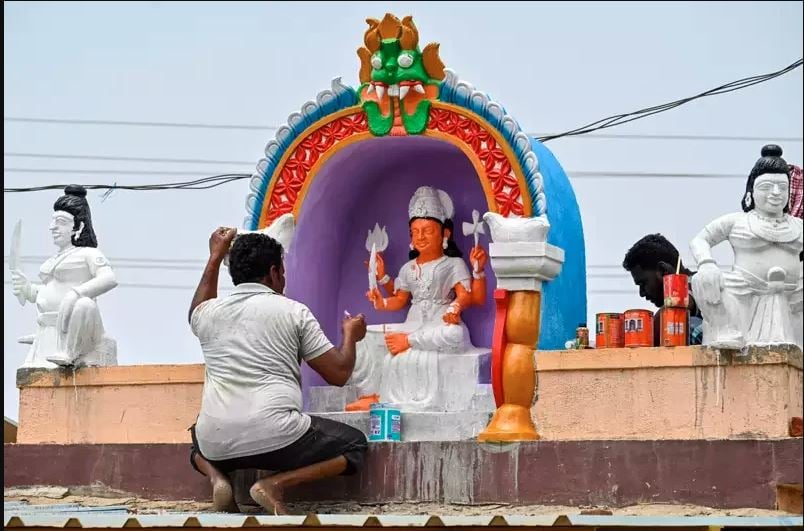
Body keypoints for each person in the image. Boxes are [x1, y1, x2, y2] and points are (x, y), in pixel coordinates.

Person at [187, 227, 368, 515]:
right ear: (273, 272)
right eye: (282, 272)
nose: (283, 280)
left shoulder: (206, 313)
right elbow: (338, 373)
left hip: (217, 443)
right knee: (355, 444)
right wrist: (350, 336)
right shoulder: (293, 312)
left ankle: (218, 479)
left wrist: (214, 257)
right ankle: (274, 485)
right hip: (279, 439)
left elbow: (197, 306)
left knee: (197, 434)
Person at [345, 186, 488, 411]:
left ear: (445, 234)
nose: (420, 237)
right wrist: (379, 300)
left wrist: (457, 305)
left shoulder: (453, 264)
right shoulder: (408, 268)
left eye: (428, 230)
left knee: (455, 334)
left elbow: (468, 296)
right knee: (364, 337)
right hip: (413, 322)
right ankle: (371, 393)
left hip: (440, 321)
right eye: (415, 231)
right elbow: (399, 299)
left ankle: (406, 348)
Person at [690, 145, 802, 348]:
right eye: (767, 187)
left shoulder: (798, 225)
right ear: (751, 190)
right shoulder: (737, 221)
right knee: (702, 280)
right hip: (744, 289)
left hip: (792, 293)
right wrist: (707, 263)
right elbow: (700, 240)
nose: (776, 193)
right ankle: (728, 330)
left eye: (782, 187)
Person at [10, 185, 118, 368]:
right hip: (50, 326)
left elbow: (109, 278)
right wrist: (29, 290)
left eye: (60, 222)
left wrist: (76, 293)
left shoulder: (88, 253)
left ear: (78, 226)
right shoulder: (55, 258)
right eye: (53, 222)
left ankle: (69, 352)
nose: (53, 227)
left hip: (78, 324)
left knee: (85, 303)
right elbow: (52, 289)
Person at [622, 233, 703, 346]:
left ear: (663, 270)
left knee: (684, 327)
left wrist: (647, 331)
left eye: (643, 283)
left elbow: (685, 300)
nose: (641, 293)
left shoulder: (703, 284)